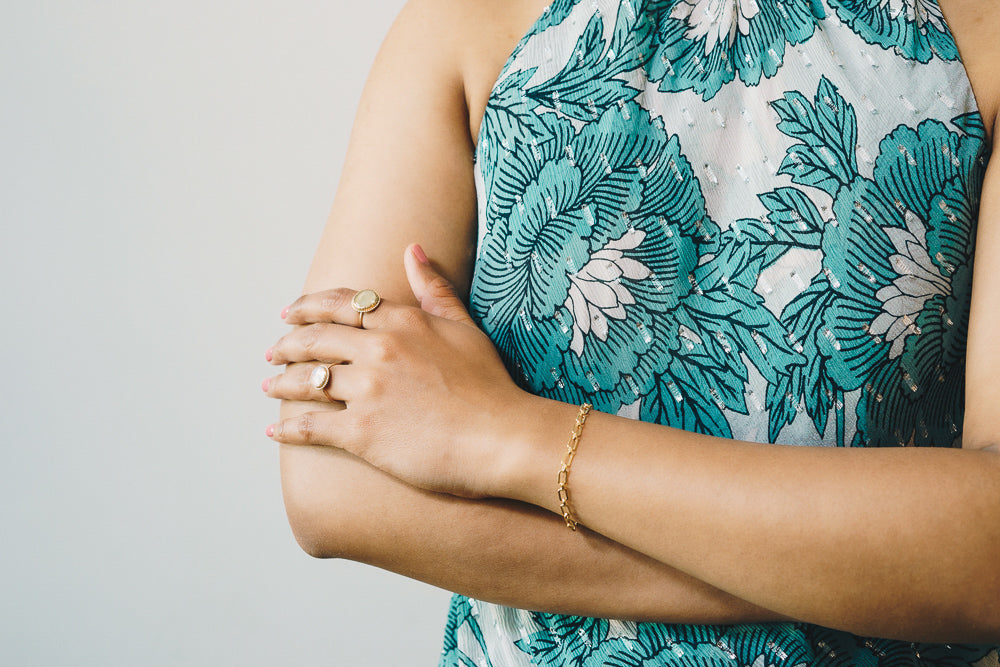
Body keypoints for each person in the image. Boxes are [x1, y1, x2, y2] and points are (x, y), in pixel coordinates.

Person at [263, 0, 1000, 664]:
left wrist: (507, 435)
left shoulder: (985, 37)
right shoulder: (469, 21)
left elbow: (989, 556)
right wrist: (853, 571)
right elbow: (334, 484)